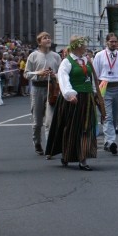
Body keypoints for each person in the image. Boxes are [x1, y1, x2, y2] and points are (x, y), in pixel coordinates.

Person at [46, 35, 105, 170]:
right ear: (77, 46)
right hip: (73, 99)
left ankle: (83, 158)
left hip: (87, 98)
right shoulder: (67, 62)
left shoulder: (87, 60)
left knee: (87, 127)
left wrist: (95, 94)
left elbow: (92, 78)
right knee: (72, 128)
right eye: (83, 44)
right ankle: (66, 154)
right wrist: (69, 94)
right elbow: (63, 79)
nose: (85, 47)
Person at [92, 33, 118, 156]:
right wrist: (95, 91)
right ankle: (111, 142)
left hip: (117, 87)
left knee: (115, 117)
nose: (114, 44)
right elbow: (95, 75)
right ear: (106, 42)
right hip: (104, 87)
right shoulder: (99, 56)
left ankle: (107, 142)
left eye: (115, 42)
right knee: (107, 116)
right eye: (111, 42)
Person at [24, 32, 61, 156]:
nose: (48, 39)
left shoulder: (56, 56)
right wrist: (38, 73)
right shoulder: (33, 56)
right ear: (39, 42)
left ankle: (49, 148)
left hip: (51, 89)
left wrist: (53, 75)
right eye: (45, 38)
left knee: (50, 121)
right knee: (37, 122)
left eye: (49, 37)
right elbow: (26, 74)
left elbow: (61, 74)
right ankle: (37, 142)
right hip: (37, 90)